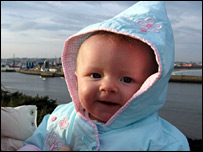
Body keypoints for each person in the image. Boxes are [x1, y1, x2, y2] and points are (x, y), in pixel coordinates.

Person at [18, 1, 190, 151]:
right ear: (76, 78)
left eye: (126, 79)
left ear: (150, 86)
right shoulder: (60, 118)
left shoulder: (163, 143)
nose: (107, 87)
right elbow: (34, 144)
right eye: (95, 75)